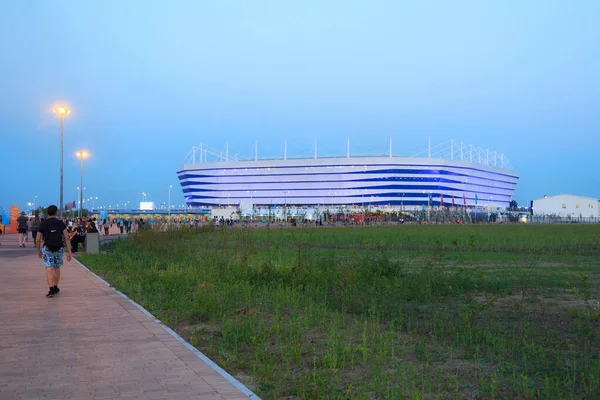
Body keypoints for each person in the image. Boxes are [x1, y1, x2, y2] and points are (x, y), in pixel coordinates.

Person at [36, 205, 72, 297]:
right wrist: (69, 252)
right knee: (56, 267)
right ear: (56, 212)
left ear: (48, 213)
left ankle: (51, 289)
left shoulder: (43, 223)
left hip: (47, 248)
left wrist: (38, 250)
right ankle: (56, 287)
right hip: (59, 248)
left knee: (48, 267)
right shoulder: (60, 223)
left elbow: (38, 239)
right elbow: (67, 237)